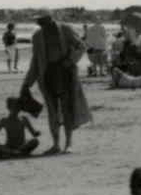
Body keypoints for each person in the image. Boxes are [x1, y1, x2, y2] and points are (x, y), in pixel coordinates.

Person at [19, 12, 92, 154]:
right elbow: (35, 61)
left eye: (44, 22)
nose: (42, 25)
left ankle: (68, 144)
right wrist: (27, 83)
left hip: (65, 75)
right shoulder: (37, 36)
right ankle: (56, 145)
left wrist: (70, 60)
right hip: (47, 77)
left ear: (51, 20)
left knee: (67, 110)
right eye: (39, 23)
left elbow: (81, 46)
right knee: (52, 112)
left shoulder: (65, 29)